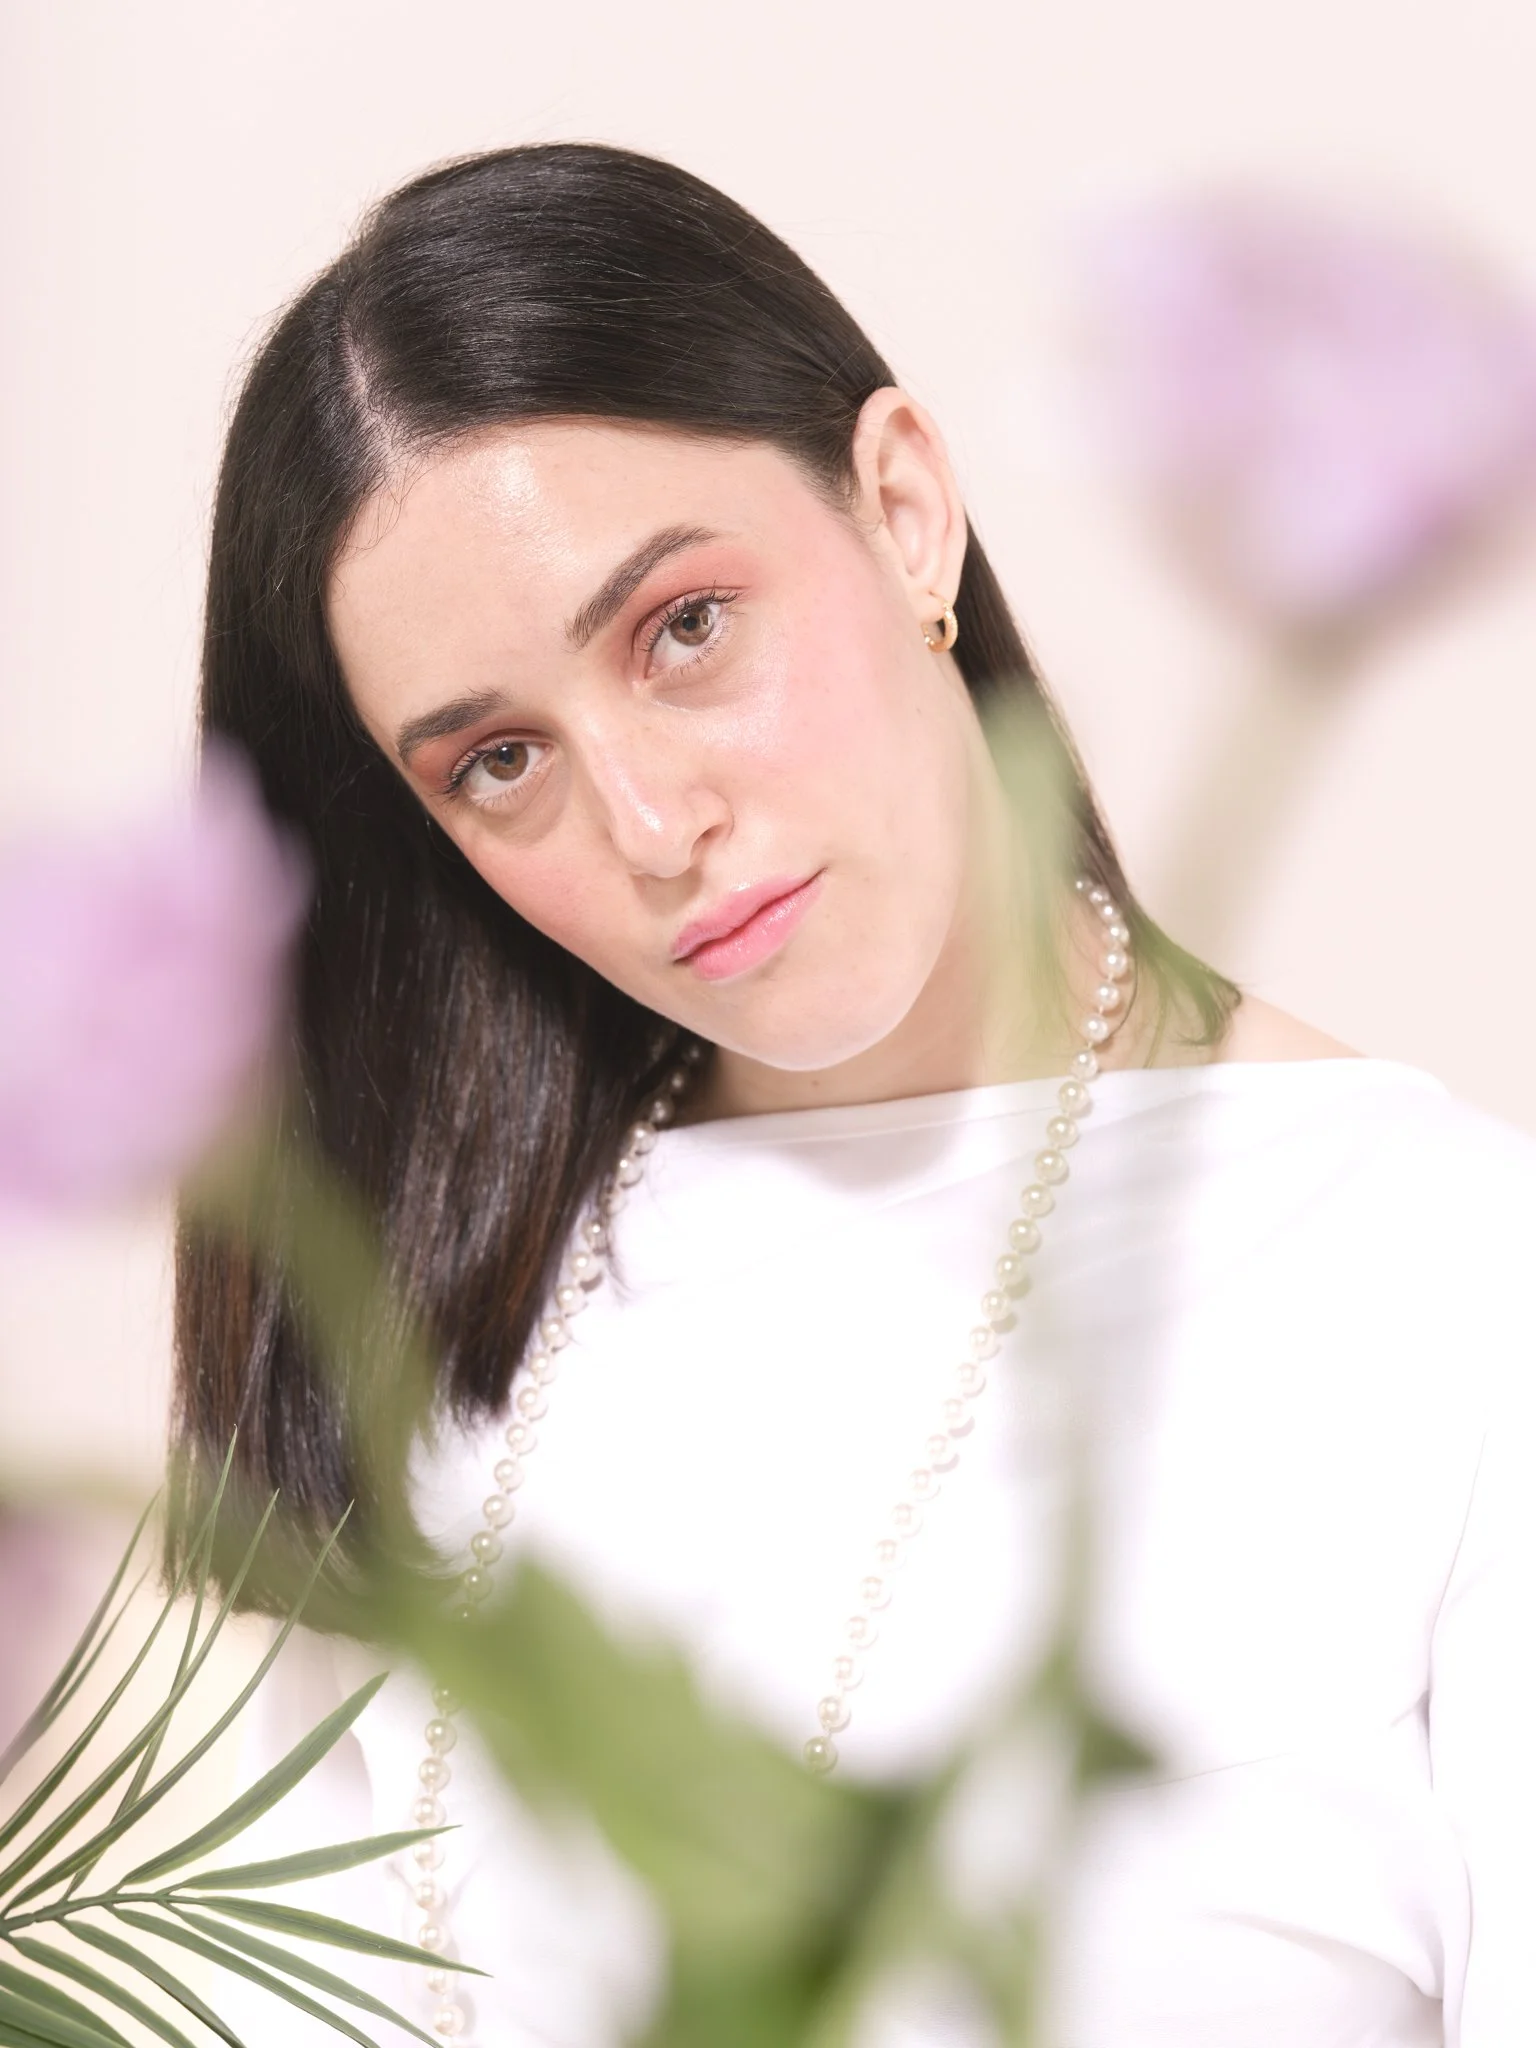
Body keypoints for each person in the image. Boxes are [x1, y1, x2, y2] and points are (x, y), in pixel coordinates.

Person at [176, 142, 1536, 2047]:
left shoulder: (1454, 1274)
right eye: (498, 762)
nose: (652, 826)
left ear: (904, 511)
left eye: (683, 628)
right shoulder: (435, 1316)